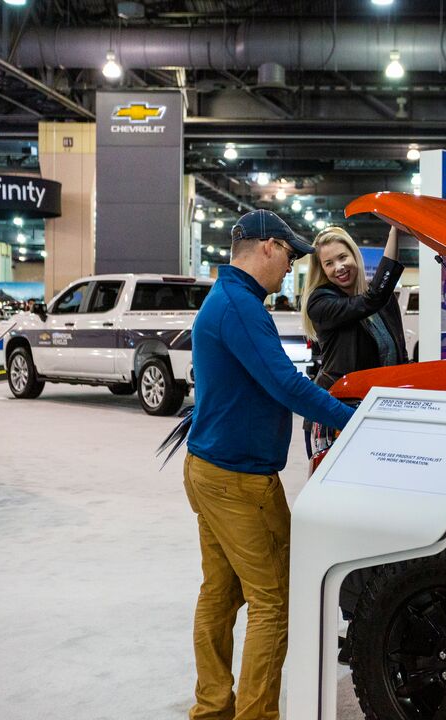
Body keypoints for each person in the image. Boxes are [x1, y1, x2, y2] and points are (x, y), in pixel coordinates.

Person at [182, 209, 355, 720]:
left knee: (221, 592)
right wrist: (354, 419)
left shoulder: (230, 299)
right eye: (290, 256)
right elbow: (284, 384)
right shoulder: (239, 306)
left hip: (210, 469)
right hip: (239, 479)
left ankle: (212, 708)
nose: (292, 268)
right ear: (267, 248)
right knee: (274, 601)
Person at [300, 225, 407, 456]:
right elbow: (372, 299)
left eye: (342, 257)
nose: (339, 267)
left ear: (354, 255)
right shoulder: (320, 302)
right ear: (322, 269)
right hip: (336, 413)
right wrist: (394, 233)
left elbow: (400, 355)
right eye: (329, 263)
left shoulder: (385, 302)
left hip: (382, 410)